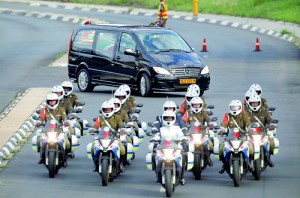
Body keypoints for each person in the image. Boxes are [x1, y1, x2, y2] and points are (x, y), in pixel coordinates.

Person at [218, 100, 254, 174]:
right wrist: (221, 130)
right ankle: (224, 164)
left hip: (243, 137)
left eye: (236, 107)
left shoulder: (244, 114)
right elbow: (223, 124)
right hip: (230, 137)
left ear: (240, 108)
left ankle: (249, 162)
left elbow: (248, 125)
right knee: (221, 148)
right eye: (233, 107)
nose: (235, 109)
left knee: (251, 147)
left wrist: (250, 130)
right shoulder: (227, 115)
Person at [151, 110, 186, 185]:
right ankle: (157, 174)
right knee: (153, 156)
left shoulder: (177, 129)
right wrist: (155, 138)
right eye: (166, 118)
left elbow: (182, 135)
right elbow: (157, 135)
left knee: (184, 156)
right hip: (163, 147)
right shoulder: (161, 129)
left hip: (175, 147)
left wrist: (183, 139)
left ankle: (182, 177)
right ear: (163, 119)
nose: (168, 120)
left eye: (170, 118)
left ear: (173, 119)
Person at [91, 100, 126, 172]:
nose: (107, 111)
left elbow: (121, 126)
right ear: (102, 110)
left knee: (122, 150)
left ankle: (121, 164)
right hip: (101, 138)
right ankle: (95, 164)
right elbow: (95, 126)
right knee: (92, 148)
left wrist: (122, 130)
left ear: (112, 109)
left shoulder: (117, 117)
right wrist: (92, 130)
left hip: (114, 137)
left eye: (109, 110)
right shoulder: (100, 118)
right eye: (105, 110)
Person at [37, 93, 71, 164]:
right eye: (50, 101)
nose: (52, 102)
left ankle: (65, 157)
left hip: (59, 131)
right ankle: (41, 156)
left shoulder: (61, 110)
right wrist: (39, 122)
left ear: (56, 101)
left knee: (67, 143)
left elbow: (65, 117)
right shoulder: (44, 110)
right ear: (47, 102)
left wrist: (66, 122)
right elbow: (41, 118)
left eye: (53, 101)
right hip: (47, 131)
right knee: (39, 140)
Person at [245, 93, 275, 167]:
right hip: (249, 134)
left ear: (259, 103)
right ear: (249, 103)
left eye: (256, 103)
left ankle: (268, 158)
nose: (254, 104)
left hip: (262, 132)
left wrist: (271, 125)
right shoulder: (245, 112)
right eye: (253, 103)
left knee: (271, 142)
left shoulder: (264, 111)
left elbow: (269, 120)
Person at [182, 96, 213, 166]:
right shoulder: (187, 113)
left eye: (198, 105)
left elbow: (208, 120)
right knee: (184, 145)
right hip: (191, 133)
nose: (196, 106)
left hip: (202, 132)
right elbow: (183, 121)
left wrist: (210, 124)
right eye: (194, 105)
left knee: (207, 145)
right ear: (191, 105)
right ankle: (185, 160)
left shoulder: (203, 112)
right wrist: (184, 127)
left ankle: (208, 158)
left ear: (201, 105)